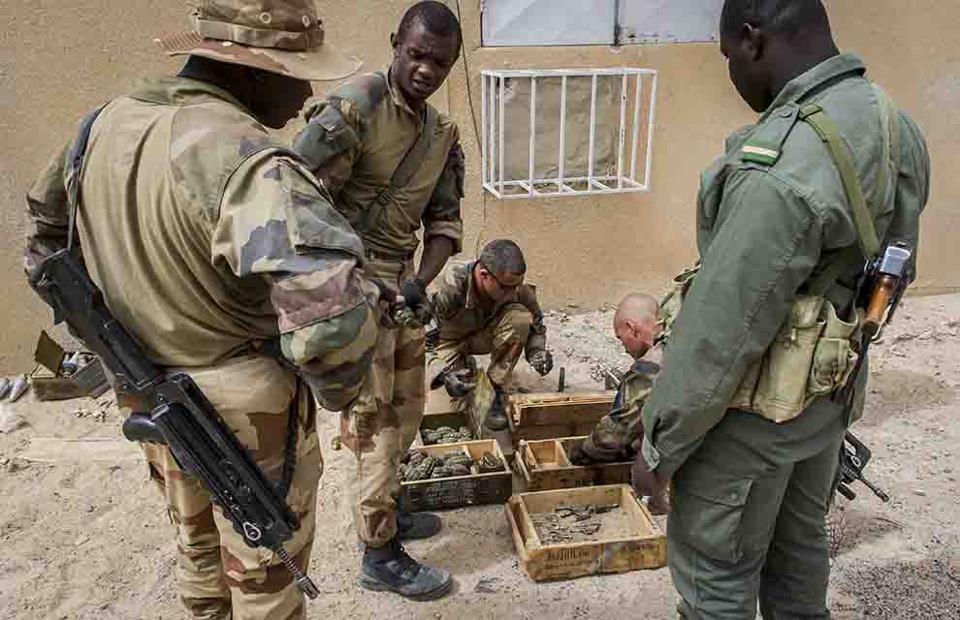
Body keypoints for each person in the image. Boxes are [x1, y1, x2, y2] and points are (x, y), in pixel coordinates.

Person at [24, 2, 378, 618]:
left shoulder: (103, 125)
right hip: (245, 409)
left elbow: (44, 244)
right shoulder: (245, 157)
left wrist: (114, 339)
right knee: (266, 579)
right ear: (252, 69)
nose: (304, 97)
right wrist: (340, 393)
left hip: (145, 388)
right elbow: (333, 320)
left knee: (199, 558)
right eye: (296, 74)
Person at [632, 1, 930, 617]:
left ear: (753, 39)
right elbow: (893, 271)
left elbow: (721, 330)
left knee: (716, 581)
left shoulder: (782, 161)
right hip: (824, 406)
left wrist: (659, 445)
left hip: (748, 425)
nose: (732, 75)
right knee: (799, 559)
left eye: (728, 57)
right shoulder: (892, 125)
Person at [291, 0, 463, 601]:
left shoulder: (441, 134)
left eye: (440, 62)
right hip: (351, 286)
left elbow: (445, 222)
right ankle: (379, 554)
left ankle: (386, 505)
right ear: (396, 44)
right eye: (416, 55)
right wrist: (359, 280)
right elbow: (298, 202)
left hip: (403, 290)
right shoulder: (355, 106)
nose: (426, 70)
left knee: (408, 411)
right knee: (371, 421)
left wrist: (419, 283)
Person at [427, 239, 553, 430]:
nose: (512, 293)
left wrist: (536, 352)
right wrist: (442, 373)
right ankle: (462, 366)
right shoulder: (449, 286)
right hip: (446, 342)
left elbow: (536, 326)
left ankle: (494, 389)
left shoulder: (514, 287)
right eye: (505, 287)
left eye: (516, 286)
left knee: (519, 319)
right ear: (484, 275)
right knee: (452, 405)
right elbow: (420, 339)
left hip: (482, 336)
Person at [567, 293, 660, 465]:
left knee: (644, 472)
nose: (624, 349)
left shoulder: (650, 367)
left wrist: (585, 451)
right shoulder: (677, 337)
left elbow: (616, 433)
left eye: (621, 339)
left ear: (631, 328)